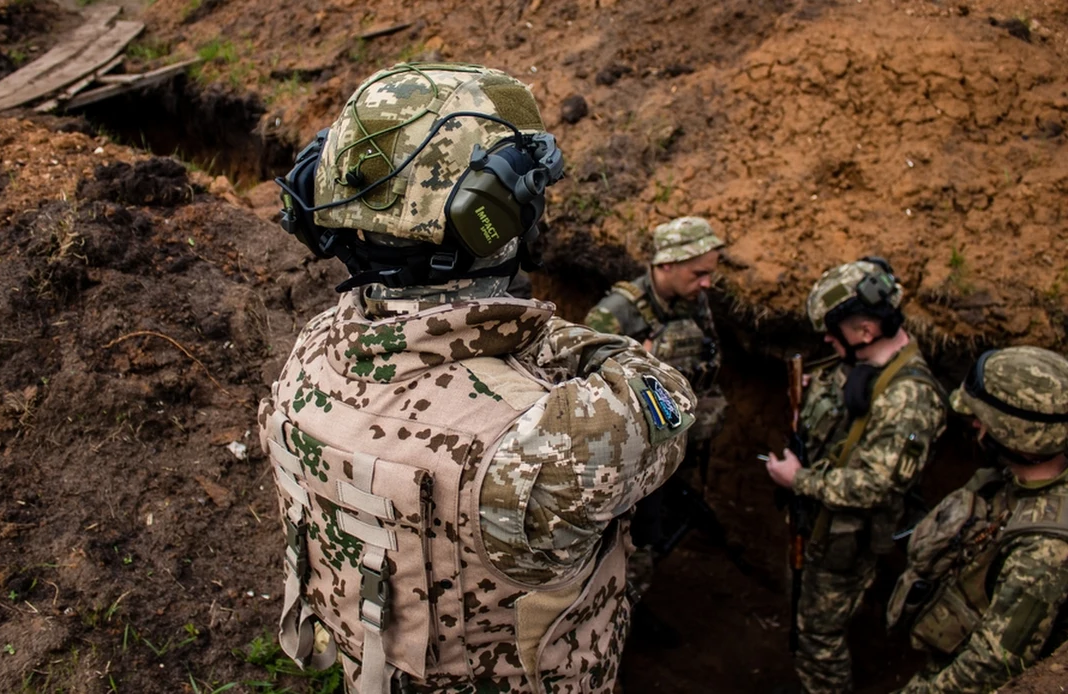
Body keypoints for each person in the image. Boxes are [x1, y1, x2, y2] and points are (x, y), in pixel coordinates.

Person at [259, 63, 696, 694]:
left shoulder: (315, 347)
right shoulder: (544, 442)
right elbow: (665, 393)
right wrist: (528, 328)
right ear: (490, 215)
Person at [763, 259, 948, 694]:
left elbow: (877, 486)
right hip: (818, 525)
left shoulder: (910, 399)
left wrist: (798, 480)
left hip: (847, 538)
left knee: (817, 639)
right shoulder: (860, 362)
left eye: (834, 330)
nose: (827, 339)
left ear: (865, 331)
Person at [888, 346, 1068, 694]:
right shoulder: (1015, 478)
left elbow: (990, 666)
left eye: (982, 419)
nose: (975, 425)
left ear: (1018, 435)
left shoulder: (1045, 553)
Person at [582, 217, 727, 643]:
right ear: (666, 265)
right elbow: (581, 399)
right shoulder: (614, 314)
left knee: (654, 540)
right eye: (698, 272)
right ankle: (610, 632)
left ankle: (631, 607)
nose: (706, 283)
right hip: (627, 467)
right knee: (626, 550)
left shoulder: (692, 303)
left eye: (710, 273)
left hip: (672, 454)